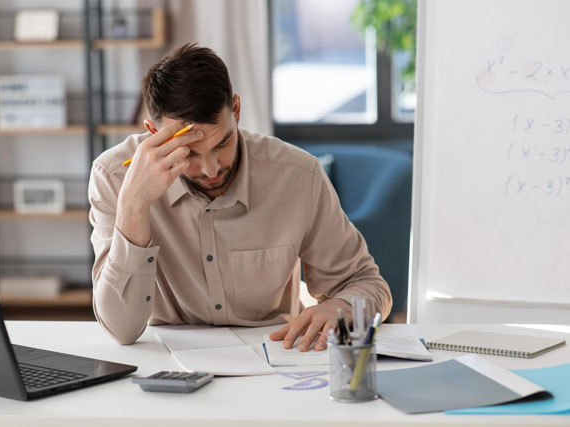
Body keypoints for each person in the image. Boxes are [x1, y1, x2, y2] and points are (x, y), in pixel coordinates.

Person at [88, 43, 392, 352]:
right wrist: (134, 206)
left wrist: (341, 306)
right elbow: (121, 330)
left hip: (276, 361)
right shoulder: (114, 177)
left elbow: (369, 285)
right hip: (164, 366)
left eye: (222, 144)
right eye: (189, 153)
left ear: (236, 110)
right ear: (154, 132)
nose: (210, 169)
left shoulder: (298, 175)